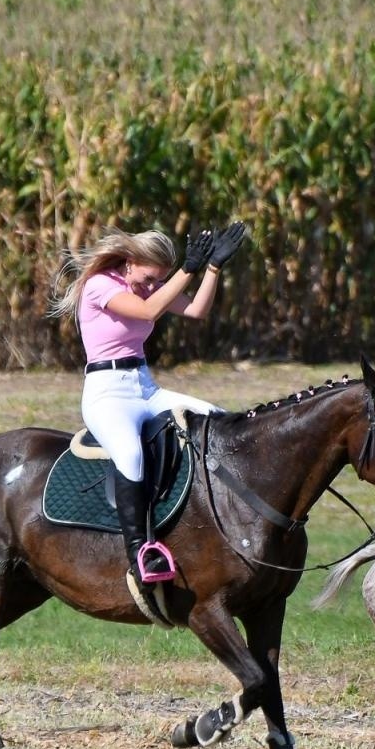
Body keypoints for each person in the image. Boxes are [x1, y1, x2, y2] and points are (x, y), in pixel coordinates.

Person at [48, 222, 249, 584]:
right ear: (128, 262)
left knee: (219, 420)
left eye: (157, 279)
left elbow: (197, 310)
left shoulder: (153, 287)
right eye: (146, 277)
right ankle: (142, 551)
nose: (150, 285)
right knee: (130, 454)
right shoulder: (100, 286)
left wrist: (213, 268)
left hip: (144, 387)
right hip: (106, 394)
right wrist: (187, 269)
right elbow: (147, 312)